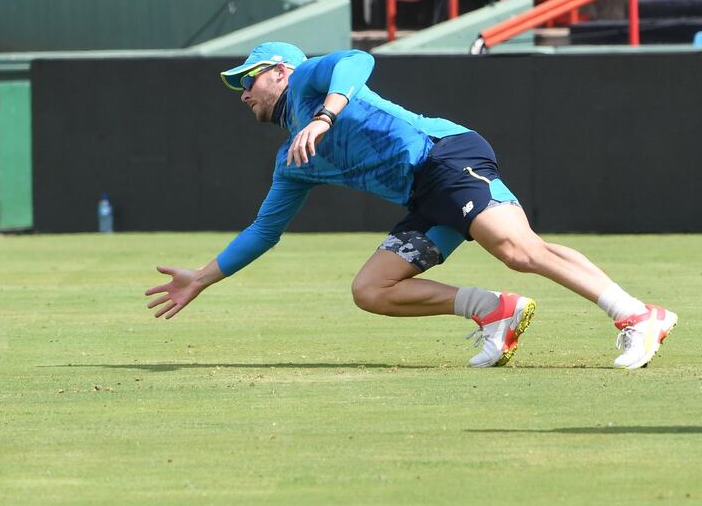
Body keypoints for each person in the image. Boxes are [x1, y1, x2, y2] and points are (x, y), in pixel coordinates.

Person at [145, 42, 677, 369]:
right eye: (238, 84)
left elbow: (358, 60)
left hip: (445, 154)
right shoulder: (292, 159)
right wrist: (201, 277)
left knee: (515, 247)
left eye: (249, 77)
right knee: (372, 289)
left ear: (281, 70)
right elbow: (264, 231)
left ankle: (636, 316)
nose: (242, 91)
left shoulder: (309, 80)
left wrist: (326, 116)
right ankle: (496, 311)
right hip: (427, 195)